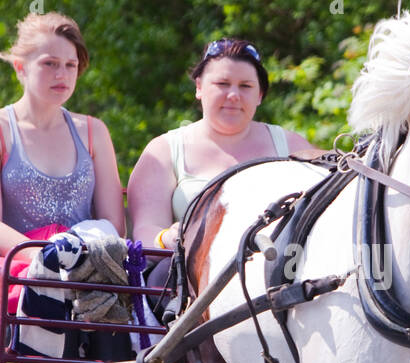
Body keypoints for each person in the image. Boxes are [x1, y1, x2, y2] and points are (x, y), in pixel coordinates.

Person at [0, 11, 138, 363]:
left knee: (104, 280)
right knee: (59, 280)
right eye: (49, 63)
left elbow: (112, 223)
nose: (62, 74)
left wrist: (84, 259)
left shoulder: (93, 132)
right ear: (21, 67)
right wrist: (47, 257)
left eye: (71, 65)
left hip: (90, 267)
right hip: (20, 268)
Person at [127, 38, 317, 259]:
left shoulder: (292, 147)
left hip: (276, 273)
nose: (234, 95)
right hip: (188, 276)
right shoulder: (163, 151)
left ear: (260, 95)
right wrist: (168, 238)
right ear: (199, 87)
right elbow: (146, 232)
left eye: (245, 86)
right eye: (222, 84)